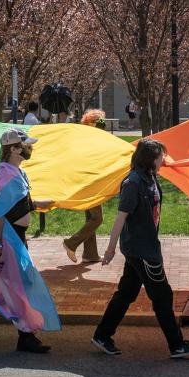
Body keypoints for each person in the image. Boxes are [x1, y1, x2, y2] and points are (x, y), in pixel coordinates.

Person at [92, 138, 189, 359]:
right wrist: (110, 249)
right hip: (142, 251)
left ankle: (102, 335)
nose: (164, 159)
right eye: (161, 156)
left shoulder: (149, 177)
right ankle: (176, 345)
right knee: (162, 295)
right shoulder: (133, 182)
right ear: (151, 158)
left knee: (126, 293)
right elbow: (120, 217)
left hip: (141, 248)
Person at [0, 128, 58, 353]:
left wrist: (40, 204)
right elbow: (0, 214)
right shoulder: (6, 175)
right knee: (20, 285)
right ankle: (25, 335)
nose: (29, 149)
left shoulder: (16, 171)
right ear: (14, 149)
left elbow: (19, 203)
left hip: (16, 237)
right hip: (7, 239)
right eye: (26, 146)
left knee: (12, 285)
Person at [63, 109, 107, 264]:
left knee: (90, 218)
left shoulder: (92, 140)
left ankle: (90, 254)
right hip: (90, 183)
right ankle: (71, 243)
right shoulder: (90, 142)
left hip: (88, 182)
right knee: (97, 219)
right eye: (99, 123)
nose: (102, 127)